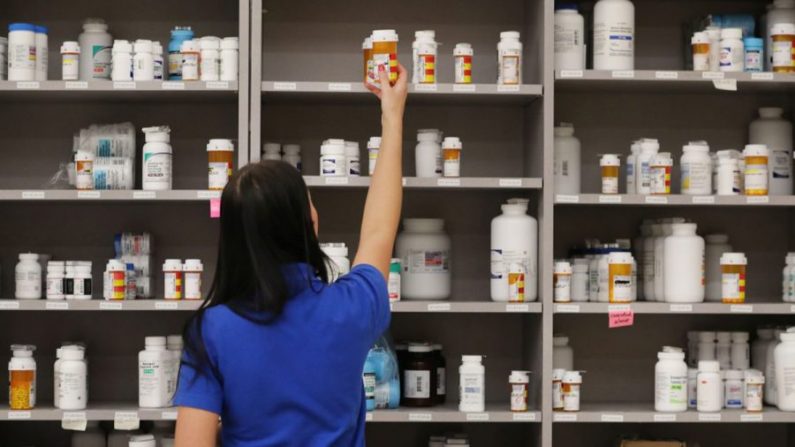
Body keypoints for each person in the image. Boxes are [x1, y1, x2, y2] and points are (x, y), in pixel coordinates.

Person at [173, 62, 408, 447]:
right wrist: (393, 117)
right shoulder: (352, 307)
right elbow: (380, 230)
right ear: (308, 225)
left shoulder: (211, 331)